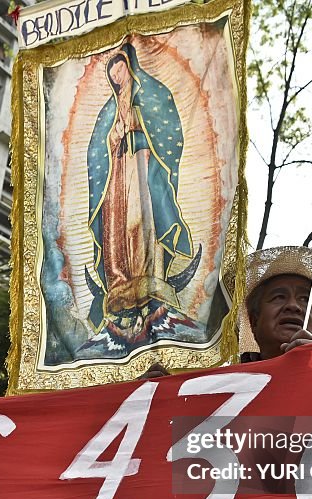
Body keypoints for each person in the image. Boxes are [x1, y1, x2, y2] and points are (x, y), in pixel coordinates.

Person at [84, 42, 199, 343]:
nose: (117, 76)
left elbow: (168, 131)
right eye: (113, 73)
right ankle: (119, 285)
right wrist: (114, 139)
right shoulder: (110, 109)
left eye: (120, 68)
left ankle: (150, 278)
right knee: (115, 232)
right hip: (117, 174)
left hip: (144, 167)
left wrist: (138, 135)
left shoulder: (151, 95)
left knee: (142, 223)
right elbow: (99, 147)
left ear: (129, 66)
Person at [240, 246, 312, 362]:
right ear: (254, 321)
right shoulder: (229, 379)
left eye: (305, 299)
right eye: (279, 297)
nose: (293, 306)